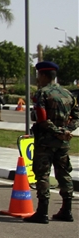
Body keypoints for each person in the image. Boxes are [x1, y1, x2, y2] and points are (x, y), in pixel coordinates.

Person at [24, 61, 77, 224]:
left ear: (44, 75)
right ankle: (67, 210)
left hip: (45, 142)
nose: (38, 79)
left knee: (43, 175)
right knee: (64, 174)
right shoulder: (68, 94)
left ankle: (42, 212)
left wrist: (58, 132)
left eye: (39, 75)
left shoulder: (42, 93)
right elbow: (76, 117)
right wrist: (66, 131)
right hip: (62, 143)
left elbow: (42, 119)